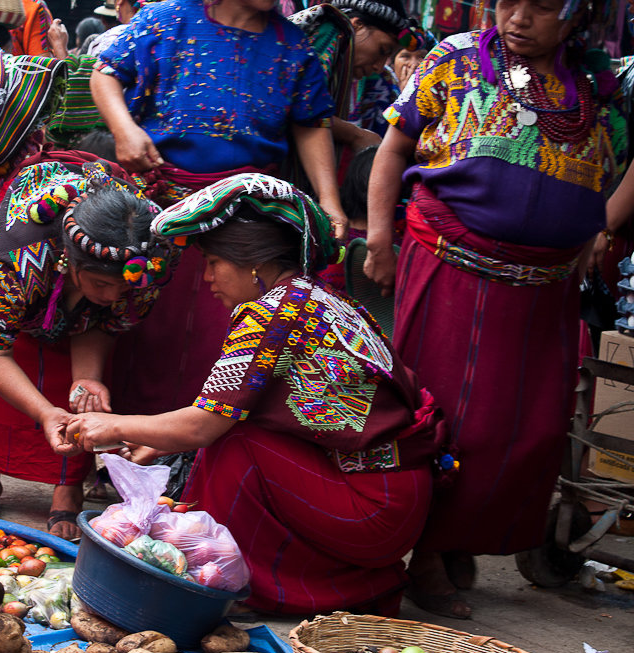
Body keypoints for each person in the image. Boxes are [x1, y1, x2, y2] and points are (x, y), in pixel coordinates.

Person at [64, 174, 447, 615]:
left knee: (233, 442)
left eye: (213, 262)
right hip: (390, 495)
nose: (206, 278)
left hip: (373, 509)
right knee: (232, 432)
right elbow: (231, 410)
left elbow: (206, 423)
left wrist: (112, 424)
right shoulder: (312, 297)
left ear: (252, 262)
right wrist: (157, 436)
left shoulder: (273, 314)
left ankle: (220, 575)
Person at [364, 0, 627, 619]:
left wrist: (602, 228)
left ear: (574, 17)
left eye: (540, 8)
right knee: (447, 417)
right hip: (453, 260)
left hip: (547, 286)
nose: (517, 18)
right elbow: (394, 147)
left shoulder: (599, 85)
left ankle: (462, 538)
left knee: (527, 429)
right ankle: (424, 551)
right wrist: (379, 234)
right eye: (509, 2)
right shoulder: (455, 60)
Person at [91, 0, 346, 427]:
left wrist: (329, 199)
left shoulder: (293, 45)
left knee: (225, 335)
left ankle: (192, 453)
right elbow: (106, 74)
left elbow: (312, 122)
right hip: (161, 203)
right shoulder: (166, 18)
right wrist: (125, 130)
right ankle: (130, 443)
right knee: (147, 329)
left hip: (244, 217)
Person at [0, 160, 177, 540]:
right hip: (26, 256)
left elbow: (104, 323)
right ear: (68, 261)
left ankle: (67, 482)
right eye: (99, 284)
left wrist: (86, 377)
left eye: (121, 289)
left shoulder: (150, 263)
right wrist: (44, 411)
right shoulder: (15, 254)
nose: (112, 297)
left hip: (98, 262)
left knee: (82, 391)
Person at [288, 0, 423, 154]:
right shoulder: (332, 30)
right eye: (382, 50)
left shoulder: (376, 78)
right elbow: (302, 109)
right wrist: (356, 135)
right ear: (356, 25)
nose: (379, 67)